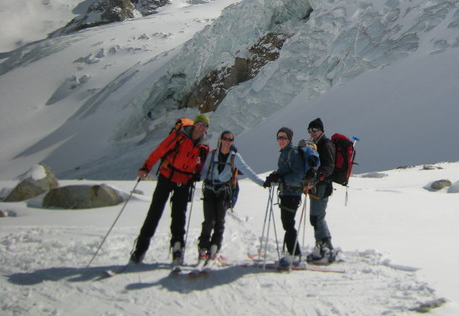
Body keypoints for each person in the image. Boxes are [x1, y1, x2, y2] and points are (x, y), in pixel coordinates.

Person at [130, 114, 211, 265]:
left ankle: (177, 249)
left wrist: (195, 175)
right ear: (194, 124)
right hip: (167, 176)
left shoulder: (204, 145)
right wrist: (146, 166)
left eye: (205, 126)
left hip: (184, 181)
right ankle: (140, 250)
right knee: (155, 212)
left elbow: (200, 164)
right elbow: (160, 150)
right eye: (199, 123)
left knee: (179, 216)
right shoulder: (179, 136)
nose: (201, 127)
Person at [197, 129, 264, 261]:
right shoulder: (212, 154)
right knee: (209, 221)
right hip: (210, 190)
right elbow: (204, 172)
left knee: (219, 222)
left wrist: (263, 183)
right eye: (225, 139)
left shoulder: (234, 157)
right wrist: (193, 178)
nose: (227, 142)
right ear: (220, 140)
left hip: (223, 192)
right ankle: (203, 247)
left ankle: (214, 246)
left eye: (230, 140)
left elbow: (247, 170)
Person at [263, 127, 318, 263]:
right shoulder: (285, 152)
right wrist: (276, 175)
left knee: (288, 224)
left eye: (284, 137)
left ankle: (294, 254)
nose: (281, 140)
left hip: (292, 194)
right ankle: (292, 252)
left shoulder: (292, 153)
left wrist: (280, 179)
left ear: (289, 139)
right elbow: (286, 170)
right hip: (287, 193)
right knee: (288, 224)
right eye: (279, 137)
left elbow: (298, 175)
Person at [304, 117, 337, 263]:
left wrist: (317, 177)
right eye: (310, 130)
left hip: (322, 187)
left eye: (314, 130)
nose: (312, 133)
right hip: (316, 187)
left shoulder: (326, 144)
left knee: (317, 217)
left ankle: (325, 249)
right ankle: (324, 247)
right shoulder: (316, 144)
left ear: (321, 130)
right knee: (316, 217)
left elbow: (329, 167)